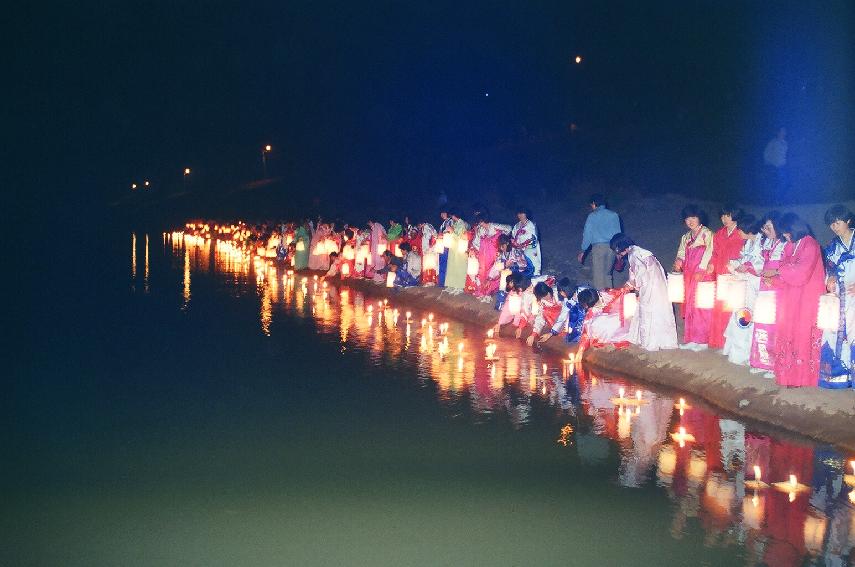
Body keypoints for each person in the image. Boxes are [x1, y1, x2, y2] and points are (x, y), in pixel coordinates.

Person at [764, 215, 825, 387]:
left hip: (807, 298)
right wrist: (774, 279)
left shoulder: (810, 244)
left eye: (787, 232)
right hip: (790, 296)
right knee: (787, 331)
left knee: (802, 333)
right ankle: (788, 374)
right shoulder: (791, 245)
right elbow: (786, 269)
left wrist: (777, 271)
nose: (785, 236)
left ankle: (802, 377)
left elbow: (801, 273)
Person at [611, 233, 678, 351]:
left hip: (650, 285)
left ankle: (650, 342)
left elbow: (640, 274)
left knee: (648, 310)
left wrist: (631, 285)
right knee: (660, 309)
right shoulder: (637, 251)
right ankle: (663, 340)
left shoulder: (634, 255)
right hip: (658, 282)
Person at [819, 205, 855, 388]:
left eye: (837, 222)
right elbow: (830, 269)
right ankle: (839, 378)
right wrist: (830, 279)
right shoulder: (833, 246)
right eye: (831, 224)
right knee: (836, 333)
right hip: (841, 296)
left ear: (848, 221)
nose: (834, 227)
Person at [722, 215, 763, 366]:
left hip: (753, 284)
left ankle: (744, 353)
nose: (738, 232)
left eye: (740, 230)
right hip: (744, 283)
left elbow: (761, 264)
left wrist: (747, 267)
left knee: (747, 316)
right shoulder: (749, 243)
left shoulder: (761, 242)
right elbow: (744, 258)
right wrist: (736, 264)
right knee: (738, 314)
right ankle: (735, 350)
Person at [673, 205, 715, 350]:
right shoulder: (686, 237)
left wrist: (702, 269)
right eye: (687, 218)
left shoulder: (706, 233)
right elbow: (682, 253)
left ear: (699, 218)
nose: (690, 221)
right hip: (689, 274)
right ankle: (691, 338)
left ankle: (702, 340)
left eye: (693, 218)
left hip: (702, 275)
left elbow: (710, 252)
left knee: (701, 305)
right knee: (690, 305)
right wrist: (679, 261)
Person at [750, 212, 786, 375]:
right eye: (764, 228)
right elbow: (759, 264)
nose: (765, 231)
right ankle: (760, 361)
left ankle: (773, 364)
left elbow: (787, 269)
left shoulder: (785, 245)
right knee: (762, 324)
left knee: (774, 327)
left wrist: (776, 279)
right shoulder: (767, 243)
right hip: (764, 288)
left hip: (777, 290)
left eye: (769, 227)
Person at [709, 205, 746, 350]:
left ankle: (732, 344)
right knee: (720, 306)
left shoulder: (741, 232)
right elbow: (715, 253)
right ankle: (719, 340)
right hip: (721, 273)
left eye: (728, 215)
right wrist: (712, 265)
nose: (724, 219)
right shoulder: (719, 233)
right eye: (722, 216)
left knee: (733, 307)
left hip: (736, 274)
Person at [578, 193, 621, 290]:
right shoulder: (614, 215)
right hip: (612, 248)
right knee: (608, 274)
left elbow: (587, 235)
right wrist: (618, 251)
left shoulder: (592, 216)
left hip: (598, 248)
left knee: (598, 276)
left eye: (591, 205)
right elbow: (618, 235)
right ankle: (610, 299)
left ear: (594, 203)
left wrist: (583, 250)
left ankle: (601, 301)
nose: (591, 207)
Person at [472, 216, 511, 297]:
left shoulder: (494, 226)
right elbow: (476, 242)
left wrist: (501, 237)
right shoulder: (480, 229)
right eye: (479, 223)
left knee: (492, 271)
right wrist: (475, 250)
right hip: (484, 253)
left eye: (481, 222)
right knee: (482, 272)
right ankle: (482, 290)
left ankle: (489, 291)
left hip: (494, 253)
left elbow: (509, 228)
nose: (480, 224)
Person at [526, 282, 563, 346]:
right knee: (545, 312)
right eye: (543, 297)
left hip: (565, 320)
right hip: (554, 324)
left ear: (548, 291)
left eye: (546, 295)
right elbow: (540, 319)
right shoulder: (542, 303)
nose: (546, 298)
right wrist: (533, 334)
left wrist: (551, 333)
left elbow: (565, 314)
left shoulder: (559, 295)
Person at [443, 212, 470, 290]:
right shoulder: (456, 223)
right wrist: (448, 231)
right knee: (452, 266)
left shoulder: (462, 224)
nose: (451, 217)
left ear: (455, 215)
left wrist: (452, 231)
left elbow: (460, 236)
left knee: (459, 266)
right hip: (453, 247)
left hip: (459, 248)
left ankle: (459, 286)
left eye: (452, 216)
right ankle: (452, 285)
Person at [512, 207, 542, 276]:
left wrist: (524, 245)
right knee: (522, 268)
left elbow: (534, 238)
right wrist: (515, 244)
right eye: (519, 214)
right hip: (519, 251)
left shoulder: (531, 225)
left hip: (530, 249)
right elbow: (513, 237)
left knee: (533, 266)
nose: (520, 215)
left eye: (522, 213)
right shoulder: (516, 226)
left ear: (526, 214)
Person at [437, 210, 454, 286]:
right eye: (441, 213)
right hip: (442, 244)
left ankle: (444, 282)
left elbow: (451, 233)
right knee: (442, 263)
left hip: (447, 245)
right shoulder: (444, 223)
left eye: (443, 213)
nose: (442, 215)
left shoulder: (450, 221)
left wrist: (442, 236)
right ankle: (441, 282)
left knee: (445, 263)